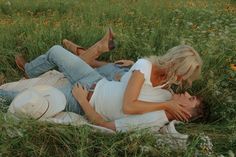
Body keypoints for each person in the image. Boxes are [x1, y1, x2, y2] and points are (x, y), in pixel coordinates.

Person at [1, 30, 203, 131]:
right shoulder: (164, 92)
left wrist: (82, 101)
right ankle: (29, 71)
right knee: (55, 51)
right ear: (174, 64)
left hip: (84, 96)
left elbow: (119, 114)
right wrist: (135, 68)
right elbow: (142, 78)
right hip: (94, 80)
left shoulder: (163, 103)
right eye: (183, 75)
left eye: (190, 96)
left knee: (22, 98)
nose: (184, 85)